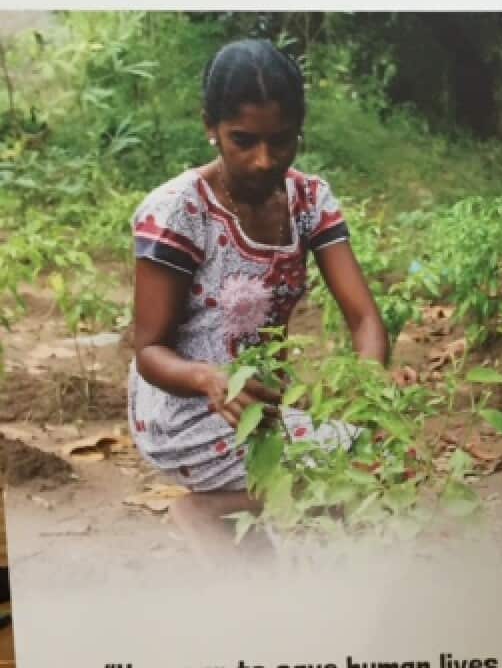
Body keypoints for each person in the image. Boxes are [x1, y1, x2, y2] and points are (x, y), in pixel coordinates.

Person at [128, 38, 388, 561]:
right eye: (243, 141)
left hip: (263, 404)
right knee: (342, 465)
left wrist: (368, 388)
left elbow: (364, 318)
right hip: (187, 409)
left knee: (364, 454)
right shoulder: (180, 211)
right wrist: (208, 379)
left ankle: (259, 548)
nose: (264, 160)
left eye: (282, 141)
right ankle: (212, 512)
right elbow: (148, 350)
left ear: (299, 131)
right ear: (211, 127)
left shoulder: (309, 200)